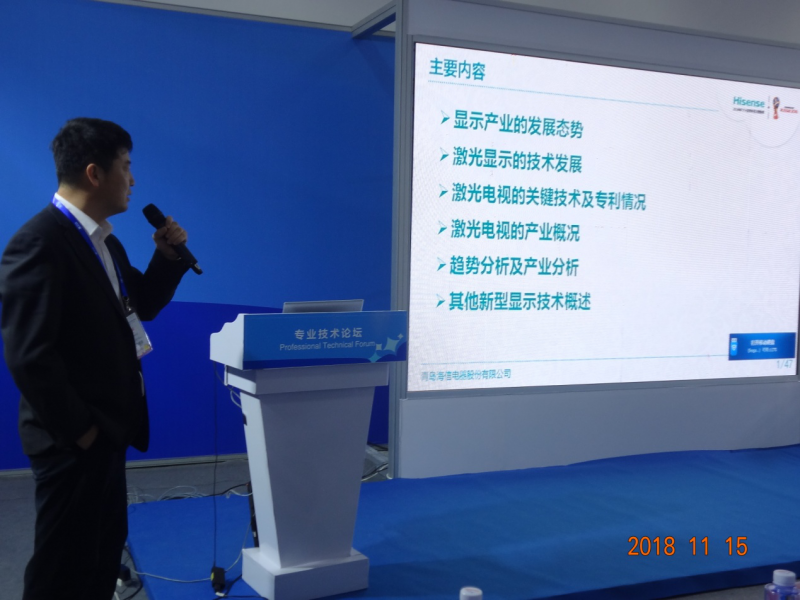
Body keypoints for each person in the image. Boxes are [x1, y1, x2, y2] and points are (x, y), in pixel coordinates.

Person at [0, 117, 191, 600]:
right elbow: (29, 356)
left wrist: (167, 258)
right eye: (125, 166)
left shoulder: (105, 241)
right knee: (62, 569)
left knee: (101, 555)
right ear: (94, 173)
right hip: (74, 441)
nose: (132, 179)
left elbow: (141, 305)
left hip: (107, 431)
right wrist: (83, 432)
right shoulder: (40, 242)